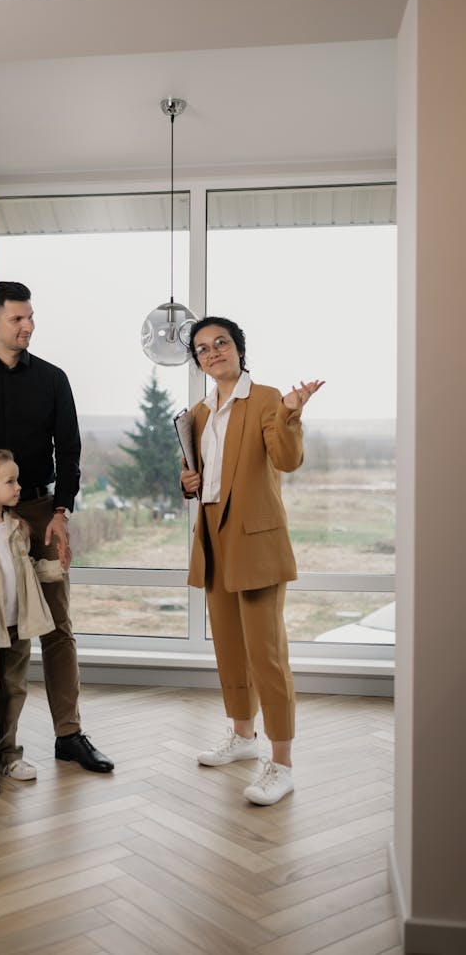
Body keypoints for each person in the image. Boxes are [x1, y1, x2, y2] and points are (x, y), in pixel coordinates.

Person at [0, 281, 114, 773]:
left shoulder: (52, 378)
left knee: (57, 626)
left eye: (30, 317)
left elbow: (70, 449)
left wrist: (61, 512)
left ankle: (69, 733)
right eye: (18, 319)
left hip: (41, 512)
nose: (28, 326)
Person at [180, 316, 323, 806]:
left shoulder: (265, 398)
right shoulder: (199, 412)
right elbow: (200, 475)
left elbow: (285, 460)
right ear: (197, 361)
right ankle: (243, 735)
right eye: (202, 348)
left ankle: (281, 764)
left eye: (221, 343)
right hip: (214, 535)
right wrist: (187, 483)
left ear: (238, 349)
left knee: (267, 654)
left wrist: (290, 413)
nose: (213, 351)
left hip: (256, 540)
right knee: (230, 647)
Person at [0, 438, 62, 795]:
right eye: (11, 482)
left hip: (20, 624)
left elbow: (26, 571)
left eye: (18, 481)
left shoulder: (17, 528)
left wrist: (53, 569)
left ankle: (9, 753)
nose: (19, 487)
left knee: (15, 690)